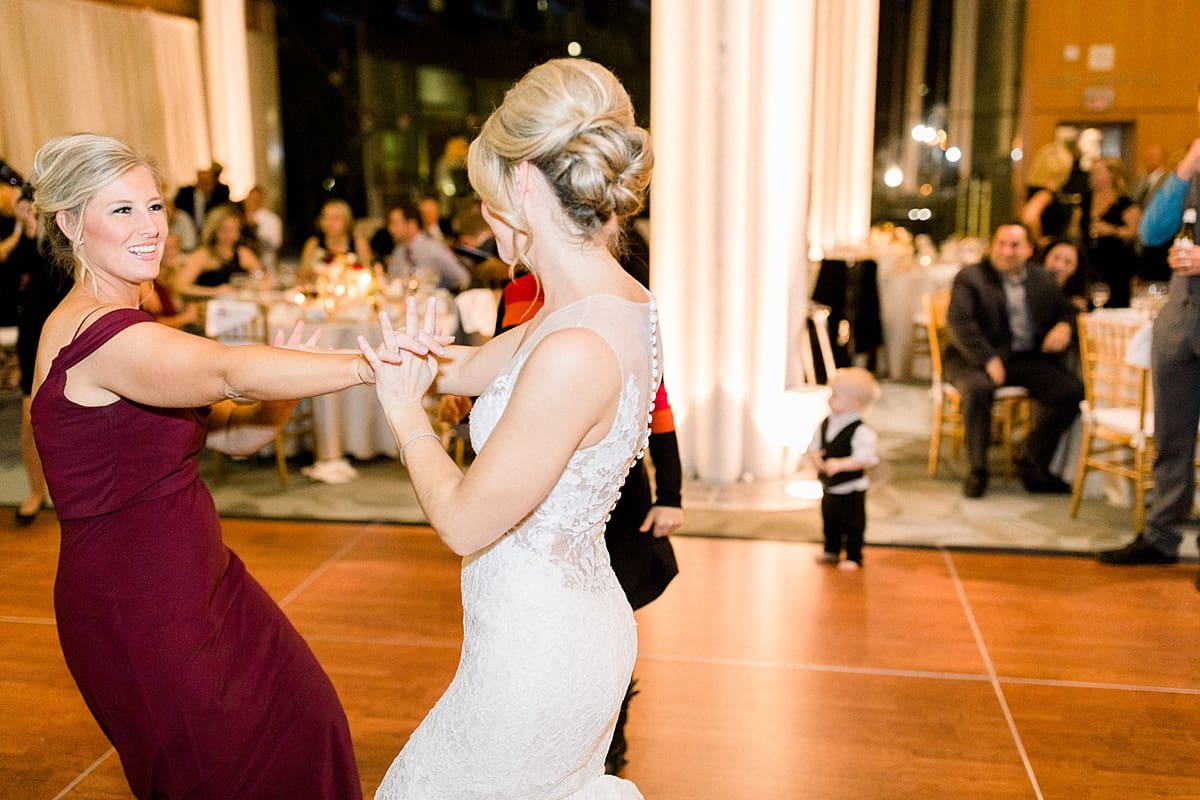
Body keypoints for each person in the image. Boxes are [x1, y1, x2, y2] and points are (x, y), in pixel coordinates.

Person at [28, 133, 385, 798]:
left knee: (308, 725)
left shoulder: (124, 322)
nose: (150, 228)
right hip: (140, 602)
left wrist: (279, 392)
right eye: (122, 211)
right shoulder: (99, 336)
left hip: (203, 579)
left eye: (154, 206)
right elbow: (229, 372)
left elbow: (232, 437)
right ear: (69, 224)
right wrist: (372, 366)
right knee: (221, 774)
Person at [358, 58, 654, 798]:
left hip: (538, 654)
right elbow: (473, 370)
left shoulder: (574, 347)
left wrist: (402, 416)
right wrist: (393, 359)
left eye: (487, 200)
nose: (486, 223)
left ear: (524, 186)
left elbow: (463, 522)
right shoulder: (601, 305)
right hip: (556, 624)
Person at [1098, 133, 1200, 591]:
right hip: (1180, 321)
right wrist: (1185, 168)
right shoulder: (1192, 169)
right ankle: (1161, 538)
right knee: (1171, 439)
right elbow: (1152, 232)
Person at [943, 221, 1083, 498]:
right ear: (992, 246)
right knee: (978, 389)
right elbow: (960, 324)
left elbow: (1066, 309)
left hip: (1023, 358)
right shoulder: (972, 277)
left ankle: (1031, 459)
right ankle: (978, 469)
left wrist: (1065, 325)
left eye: (1015, 245)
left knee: (1070, 390)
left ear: (1029, 249)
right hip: (972, 357)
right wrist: (987, 358)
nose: (1007, 251)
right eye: (1001, 244)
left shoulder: (1041, 278)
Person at [9, 180, 71, 525]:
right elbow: (13, 274)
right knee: (31, 416)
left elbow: (59, 274)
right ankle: (35, 491)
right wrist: (25, 227)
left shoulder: (67, 229)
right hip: (33, 332)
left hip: (69, 328)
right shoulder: (27, 235)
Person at [807, 366, 881, 570]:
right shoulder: (825, 423)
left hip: (851, 488)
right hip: (829, 487)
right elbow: (813, 445)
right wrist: (814, 456)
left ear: (855, 402)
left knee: (853, 524)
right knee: (830, 520)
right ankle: (831, 549)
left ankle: (853, 555)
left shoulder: (861, 430)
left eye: (836, 395)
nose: (830, 399)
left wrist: (841, 464)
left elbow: (866, 458)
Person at [172, 202, 263, 298]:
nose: (231, 235)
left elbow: (261, 278)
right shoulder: (203, 254)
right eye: (225, 230)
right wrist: (215, 291)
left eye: (235, 230)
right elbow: (180, 286)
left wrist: (249, 285)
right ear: (214, 231)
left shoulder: (242, 253)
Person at [1085, 157, 1141, 308]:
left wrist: (1112, 230)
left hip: (1117, 264)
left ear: (1111, 175)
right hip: (1091, 263)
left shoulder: (1124, 202)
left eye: (1098, 172)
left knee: (1116, 304)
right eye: (1093, 172)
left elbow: (1135, 232)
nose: (1093, 176)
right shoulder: (1086, 199)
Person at [172, 163, 230, 233]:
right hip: (189, 230)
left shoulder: (220, 194)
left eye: (208, 181)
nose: (205, 184)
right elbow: (176, 209)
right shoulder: (185, 193)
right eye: (203, 181)